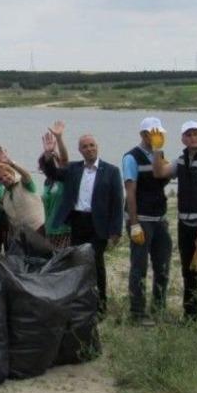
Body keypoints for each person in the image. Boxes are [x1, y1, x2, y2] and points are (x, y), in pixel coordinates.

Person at [42, 130, 124, 314]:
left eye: (92, 145)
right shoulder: (73, 168)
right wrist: (48, 155)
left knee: (96, 262)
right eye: (85, 147)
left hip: (98, 223)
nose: (89, 149)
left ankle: (101, 305)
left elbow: (118, 202)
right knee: (78, 262)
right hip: (78, 222)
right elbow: (52, 173)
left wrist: (116, 230)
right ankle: (81, 302)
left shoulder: (111, 171)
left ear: (97, 147)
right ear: (80, 150)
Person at [151, 120, 197, 319]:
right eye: (188, 134)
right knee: (188, 270)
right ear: (183, 139)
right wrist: (157, 149)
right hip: (184, 224)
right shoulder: (181, 160)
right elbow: (159, 172)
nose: (193, 137)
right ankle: (190, 315)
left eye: (196, 133)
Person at [123, 118, 173, 323]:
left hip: (159, 218)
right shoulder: (131, 157)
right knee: (139, 267)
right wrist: (134, 224)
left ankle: (159, 308)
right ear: (144, 135)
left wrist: (159, 152)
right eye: (154, 134)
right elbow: (130, 192)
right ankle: (137, 312)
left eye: (160, 134)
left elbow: (161, 180)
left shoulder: (158, 155)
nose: (158, 137)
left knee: (163, 266)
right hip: (141, 218)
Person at [0, 161, 45, 235]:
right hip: (23, 235)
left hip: (40, 229)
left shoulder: (23, 183)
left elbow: (27, 175)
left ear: (11, 172)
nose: (4, 179)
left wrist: (13, 165)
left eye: (6, 175)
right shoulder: (5, 196)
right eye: (0, 179)